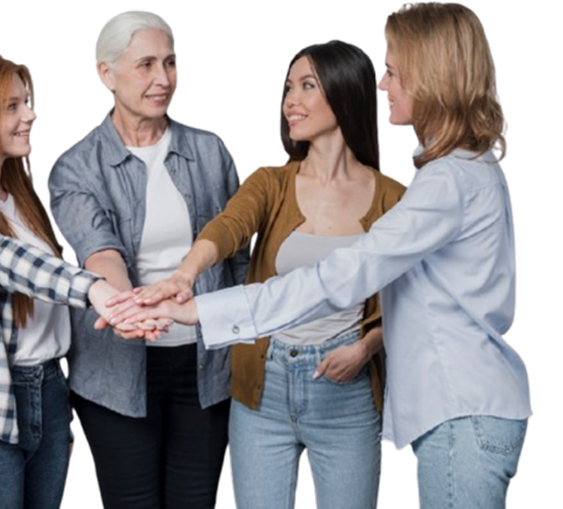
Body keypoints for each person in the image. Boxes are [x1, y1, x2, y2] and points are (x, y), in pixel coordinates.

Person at [110, 3, 533, 508]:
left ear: (431, 77)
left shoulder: (444, 183)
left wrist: (202, 309)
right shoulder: (456, 171)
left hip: (459, 413)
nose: (384, 85)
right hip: (454, 409)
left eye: (394, 71)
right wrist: (189, 278)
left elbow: (342, 276)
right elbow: (232, 227)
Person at [110, 39, 406, 508]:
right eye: (288, 87)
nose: (291, 100)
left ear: (346, 92)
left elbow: (409, 300)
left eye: (307, 85)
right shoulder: (270, 181)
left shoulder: (395, 198)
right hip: (262, 386)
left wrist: (366, 347)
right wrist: (186, 274)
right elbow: (229, 227)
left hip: (346, 395)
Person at [0, 49, 134, 508]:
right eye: (11, 106)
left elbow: (46, 317)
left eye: (28, 102)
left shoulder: (20, 198)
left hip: (48, 396)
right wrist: (95, 289)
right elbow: (4, 260)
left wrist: (60, 420)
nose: (30, 115)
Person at [45, 10, 248, 509]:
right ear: (105, 73)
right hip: (115, 369)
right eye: (146, 65)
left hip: (205, 362)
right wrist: (126, 309)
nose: (163, 79)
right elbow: (100, 252)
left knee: (196, 499)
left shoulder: (210, 151)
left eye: (171, 63)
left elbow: (237, 256)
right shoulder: (74, 166)